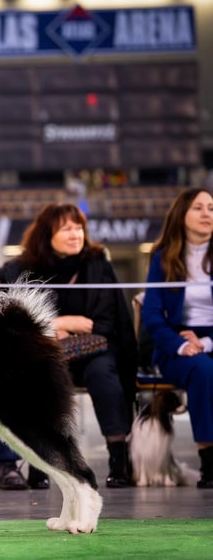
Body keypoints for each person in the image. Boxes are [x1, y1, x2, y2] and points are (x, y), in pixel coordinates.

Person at [0, 202, 138, 488]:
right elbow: (16, 323)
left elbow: (107, 322)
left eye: (78, 228)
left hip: (92, 353)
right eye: (66, 229)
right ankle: (40, 463)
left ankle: (119, 460)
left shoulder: (98, 266)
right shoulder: (21, 270)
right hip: (44, 355)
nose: (75, 235)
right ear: (46, 235)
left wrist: (55, 327)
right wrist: (64, 323)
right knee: (35, 379)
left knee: (104, 373)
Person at [142, 187, 213, 488]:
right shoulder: (163, 259)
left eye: (211, 208)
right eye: (198, 208)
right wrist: (182, 344)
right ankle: (209, 460)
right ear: (182, 215)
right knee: (204, 369)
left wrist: (206, 342)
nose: (207, 214)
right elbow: (152, 316)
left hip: (210, 340)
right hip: (175, 345)